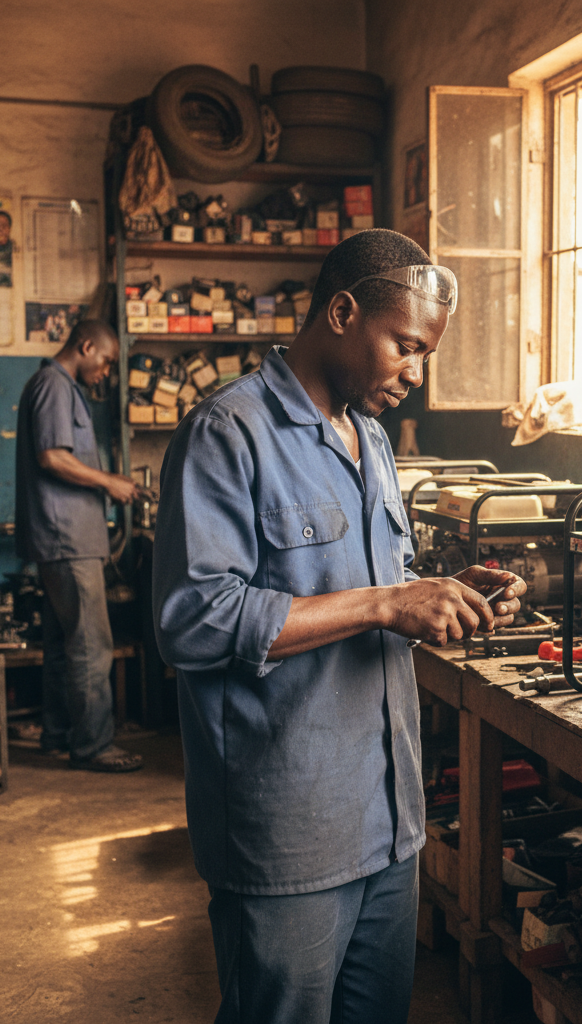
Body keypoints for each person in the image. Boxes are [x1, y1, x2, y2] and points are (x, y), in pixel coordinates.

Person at [152, 229, 527, 1024]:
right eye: (406, 346)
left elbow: (367, 591)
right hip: (288, 827)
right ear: (342, 311)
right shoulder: (229, 432)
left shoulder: (375, 440)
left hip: (388, 821)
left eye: (424, 355)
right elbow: (193, 621)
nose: (415, 374)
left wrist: (445, 593)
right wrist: (388, 603)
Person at [15, 320, 144, 772]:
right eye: (106, 361)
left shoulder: (58, 386)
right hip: (67, 540)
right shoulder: (53, 384)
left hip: (61, 539)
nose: (106, 371)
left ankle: (57, 735)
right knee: (91, 645)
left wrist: (113, 482)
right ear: (86, 346)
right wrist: (108, 482)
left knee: (62, 644)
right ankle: (93, 745)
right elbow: (52, 456)